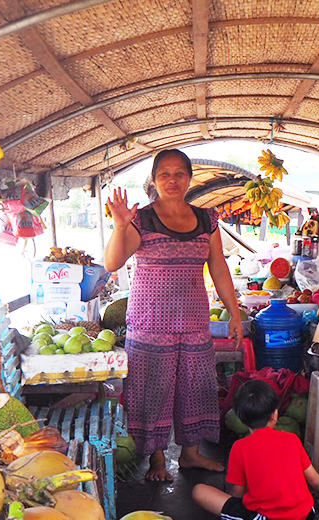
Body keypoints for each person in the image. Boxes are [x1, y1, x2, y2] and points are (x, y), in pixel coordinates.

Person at [103, 149, 244, 481]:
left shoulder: (207, 219)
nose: (171, 180)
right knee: (152, 387)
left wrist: (235, 313)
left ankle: (191, 455)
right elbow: (112, 264)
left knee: (196, 385)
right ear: (154, 179)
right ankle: (157, 459)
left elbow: (219, 267)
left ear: (189, 178)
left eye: (179, 173)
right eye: (164, 174)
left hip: (194, 319)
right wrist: (119, 226)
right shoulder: (141, 219)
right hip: (150, 321)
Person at [192, 380, 319, 520]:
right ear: (275, 414)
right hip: (305, 515)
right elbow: (315, 481)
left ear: (241, 419)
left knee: (199, 491)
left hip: (265, 517)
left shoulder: (240, 448)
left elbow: (238, 493)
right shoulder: (291, 439)